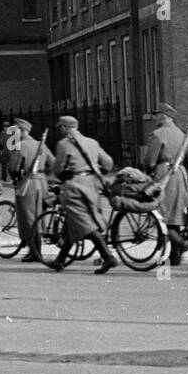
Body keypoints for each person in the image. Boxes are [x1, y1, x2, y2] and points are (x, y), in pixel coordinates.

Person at [48, 115, 117, 274]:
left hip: (74, 186)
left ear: (65, 128)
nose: (59, 131)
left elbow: (58, 169)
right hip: (92, 185)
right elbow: (108, 163)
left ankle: (108, 256)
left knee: (84, 222)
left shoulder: (63, 144)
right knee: (75, 223)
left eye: (60, 128)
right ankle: (59, 260)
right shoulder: (92, 142)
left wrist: (61, 175)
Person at [144, 102, 188, 266]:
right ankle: (175, 256)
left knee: (162, 215)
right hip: (180, 175)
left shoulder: (157, 134)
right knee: (176, 215)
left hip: (163, 175)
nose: (155, 117)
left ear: (165, 116)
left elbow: (150, 161)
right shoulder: (182, 134)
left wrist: (149, 172)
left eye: (157, 114)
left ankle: (181, 244)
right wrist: (182, 170)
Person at [12, 117, 53, 263]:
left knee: (28, 218)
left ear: (23, 131)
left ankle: (35, 252)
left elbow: (13, 167)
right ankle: (37, 250)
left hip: (28, 183)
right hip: (42, 183)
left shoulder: (21, 145)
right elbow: (52, 163)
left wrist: (15, 178)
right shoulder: (41, 144)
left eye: (16, 131)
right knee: (39, 216)